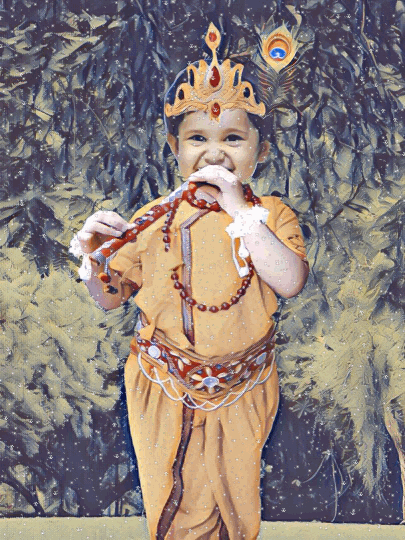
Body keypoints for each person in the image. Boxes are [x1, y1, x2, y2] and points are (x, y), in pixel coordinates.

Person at [71, 23, 308, 540]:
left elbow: (290, 280)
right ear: (174, 148)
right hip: (164, 386)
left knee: (236, 507)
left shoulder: (270, 216)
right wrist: (92, 256)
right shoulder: (152, 217)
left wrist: (239, 210)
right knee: (179, 511)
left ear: (262, 150)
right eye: (198, 138)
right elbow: (110, 299)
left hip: (245, 387)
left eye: (233, 138)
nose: (215, 153)